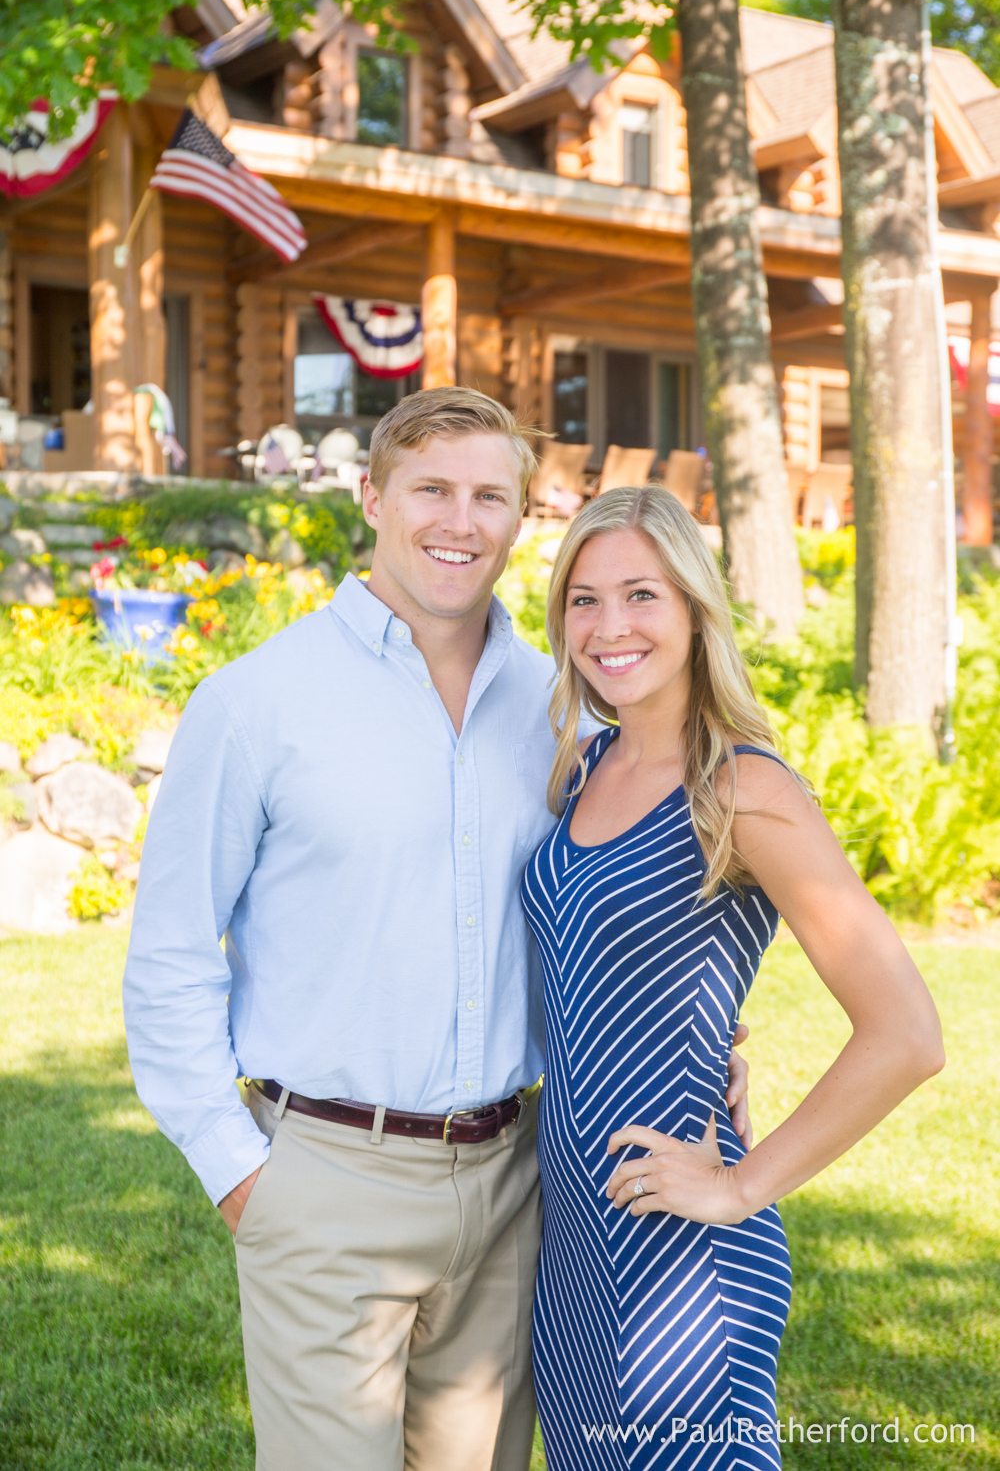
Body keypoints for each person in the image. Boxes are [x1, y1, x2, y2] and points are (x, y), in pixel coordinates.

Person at [122, 388, 751, 1471]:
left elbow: (598, 900)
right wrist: (239, 1174)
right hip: (324, 1179)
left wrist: (695, 1043)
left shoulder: (561, 702)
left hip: (512, 1182)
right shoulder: (257, 702)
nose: (459, 520)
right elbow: (172, 953)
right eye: (431, 490)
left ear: (520, 519)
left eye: (489, 496)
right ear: (371, 496)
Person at [520, 485, 945, 1470]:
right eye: (582, 599)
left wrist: (739, 1187)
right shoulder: (583, 764)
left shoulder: (742, 790)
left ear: (694, 608)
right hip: (577, 1233)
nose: (608, 626)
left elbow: (907, 1034)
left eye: (640, 595)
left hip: (685, 1253)